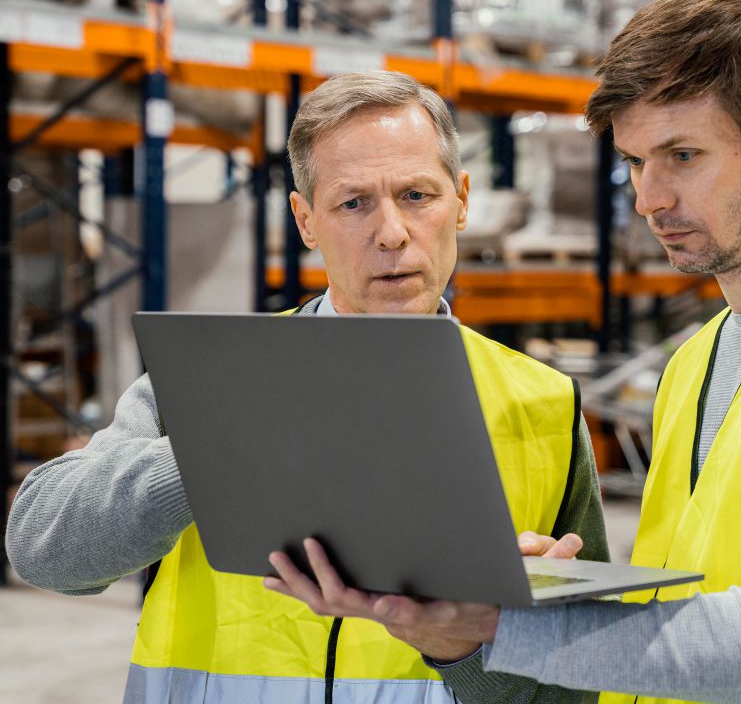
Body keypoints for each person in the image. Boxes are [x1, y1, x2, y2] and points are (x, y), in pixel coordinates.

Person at [263, 0, 741, 703]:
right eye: (637, 162)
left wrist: (496, 619)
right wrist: (526, 589)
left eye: (682, 155)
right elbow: (681, 611)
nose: (649, 198)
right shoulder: (695, 363)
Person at [5, 70, 609, 704]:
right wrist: (216, 451)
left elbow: (586, 682)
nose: (392, 233)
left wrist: (481, 643)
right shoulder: (213, 381)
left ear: (461, 199)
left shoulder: (543, 403)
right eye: (353, 203)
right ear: (305, 220)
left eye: (416, 195)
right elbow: (45, 550)